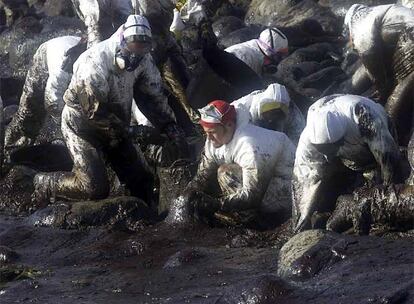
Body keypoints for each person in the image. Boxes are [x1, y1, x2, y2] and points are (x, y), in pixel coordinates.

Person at [32, 15, 182, 204]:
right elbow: (93, 112)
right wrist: (131, 131)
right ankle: (46, 183)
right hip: (81, 126)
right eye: (134, 49)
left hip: (118, 126)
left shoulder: (144, 60)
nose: (136, 56)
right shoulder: (94, 63)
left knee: (143, 180)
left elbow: (153, 98)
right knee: (94, 188)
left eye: (143, 49)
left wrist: (169, 126)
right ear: (122, 42)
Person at [293, 94, 401, 232]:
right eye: (324, 150)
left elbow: (388, 158)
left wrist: (387, 197)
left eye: (333, 148)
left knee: (386, 174)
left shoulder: (363, 115)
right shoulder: (307, 139)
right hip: (348, 157)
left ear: (341, 138)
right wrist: (303, 217)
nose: (327, 155)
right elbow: (303, 178)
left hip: (377, 138)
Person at [182, 100, 295, 228]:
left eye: (212, 132)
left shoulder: (250, 145)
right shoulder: (215, 139)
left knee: (225, 173)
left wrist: (218, 204)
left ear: (229, 125)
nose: (209, 138)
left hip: (284, 186)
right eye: (206, 133)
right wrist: (187, 194)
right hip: (262, 179)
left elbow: (252, 194)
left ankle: (253, 221)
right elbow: (203, 175)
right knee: (215, 178)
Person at [4, 35, 86, 159]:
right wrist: (65, 127)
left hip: (72, 63)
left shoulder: (97, 61)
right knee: (29, 112)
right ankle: (11, 150)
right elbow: (52, 100)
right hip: (46, 58)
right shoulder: (63, 68)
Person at [344, 3, 414, 145]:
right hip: (408, 38)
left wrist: (382, 90)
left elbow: (369, 56)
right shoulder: (381, 12)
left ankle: (395, 141)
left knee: (393, 107)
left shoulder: (361, 23)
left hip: (410, 40)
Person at [232, 83, 305, 145]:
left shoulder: (293, 114)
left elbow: (299, 136)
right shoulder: (243, 108)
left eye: (277, 114)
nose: (271, 119)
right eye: (269, 113)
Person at [225, 27, 289, 78]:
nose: (282, 60)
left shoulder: (255, 46)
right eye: (280, 56)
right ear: (269, 51)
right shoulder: (247, 59)